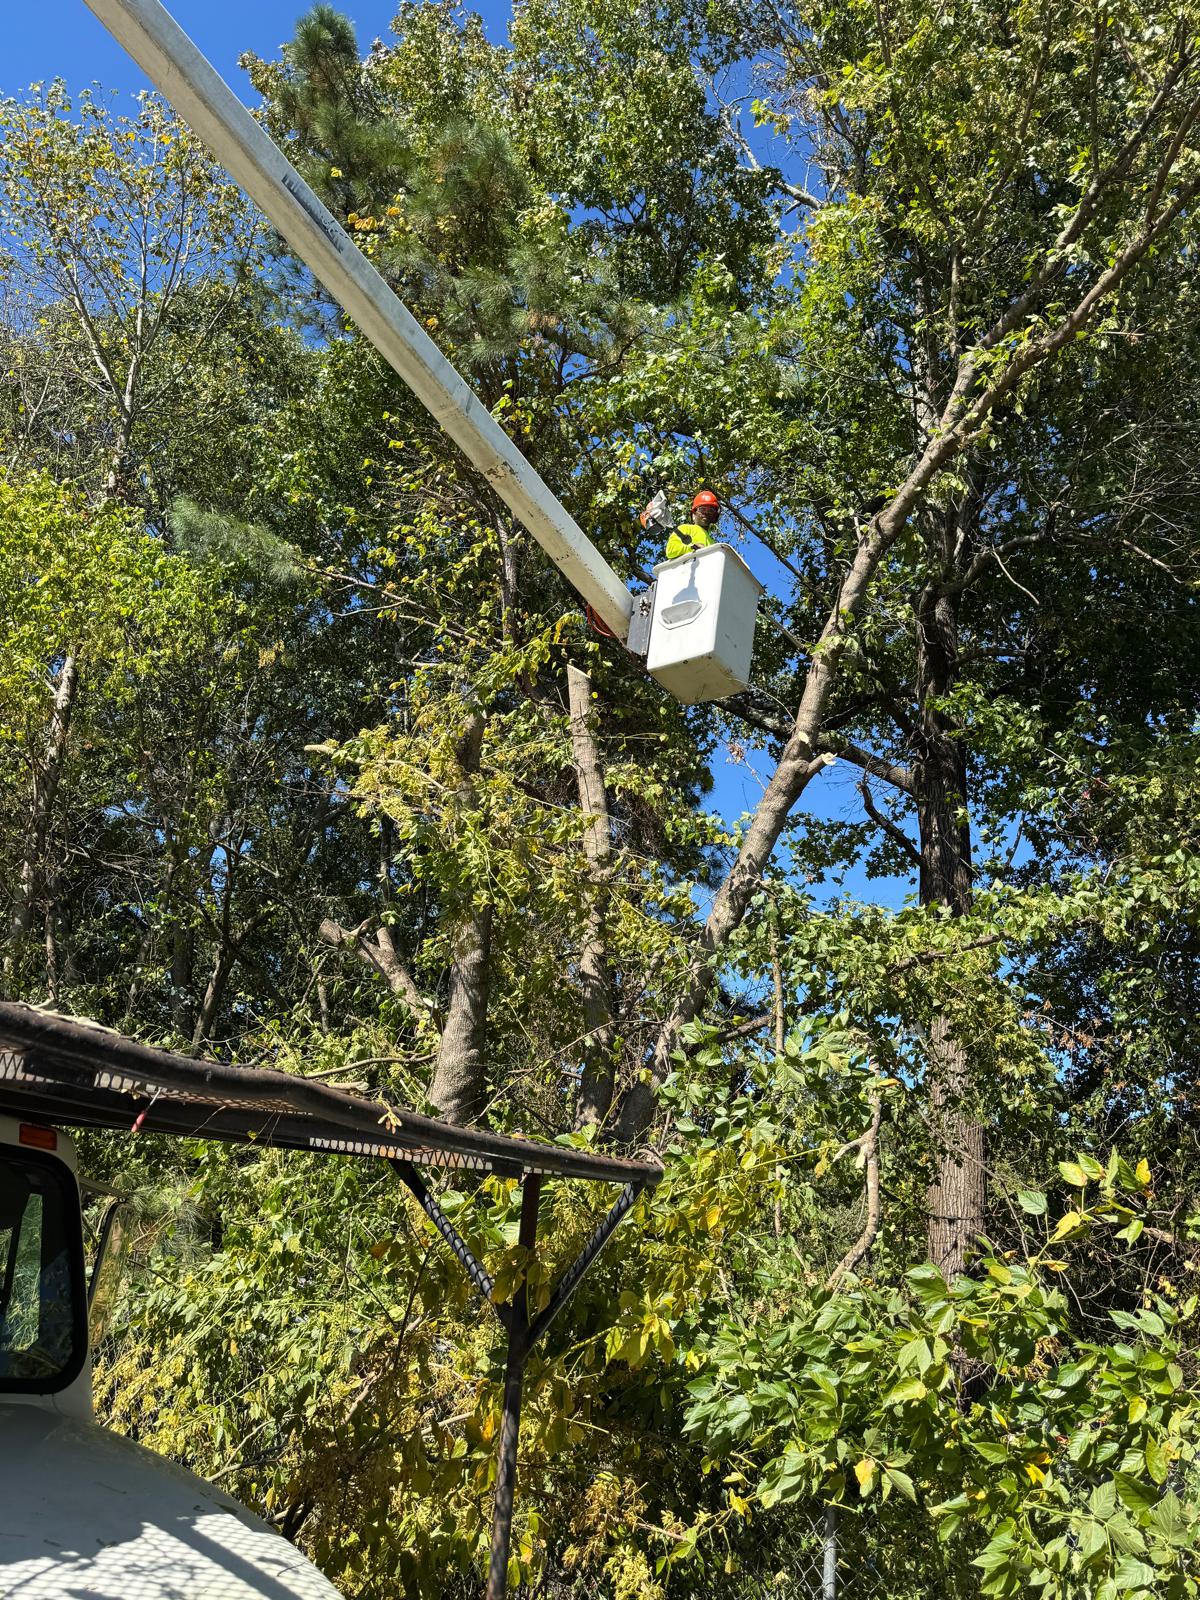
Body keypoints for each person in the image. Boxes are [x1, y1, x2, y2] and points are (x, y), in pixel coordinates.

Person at [665, 490, 720, 560]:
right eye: (702, 509)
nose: (706, 513)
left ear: (715, 516)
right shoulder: (685, 528)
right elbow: (670, 550)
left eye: (710, 511)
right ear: (694, 513)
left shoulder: (713, 543)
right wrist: (691, 548)